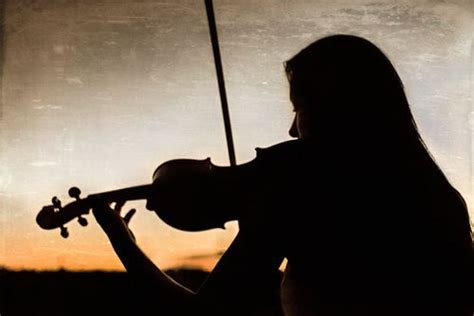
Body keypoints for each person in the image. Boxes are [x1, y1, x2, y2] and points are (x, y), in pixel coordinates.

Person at [92, 35, 473, 316]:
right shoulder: (438, 199)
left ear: (335, 110)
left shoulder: (299, 185)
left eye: (299, 109)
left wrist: (125, 244)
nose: (292, 130)